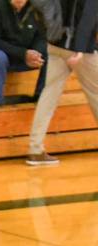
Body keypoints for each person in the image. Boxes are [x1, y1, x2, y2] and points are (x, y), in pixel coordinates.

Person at [26, 0, 98, 165]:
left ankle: (35, 149)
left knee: (48, 95)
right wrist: (79, 49)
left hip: (55, 44)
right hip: (77, 49)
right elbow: (88, 16)